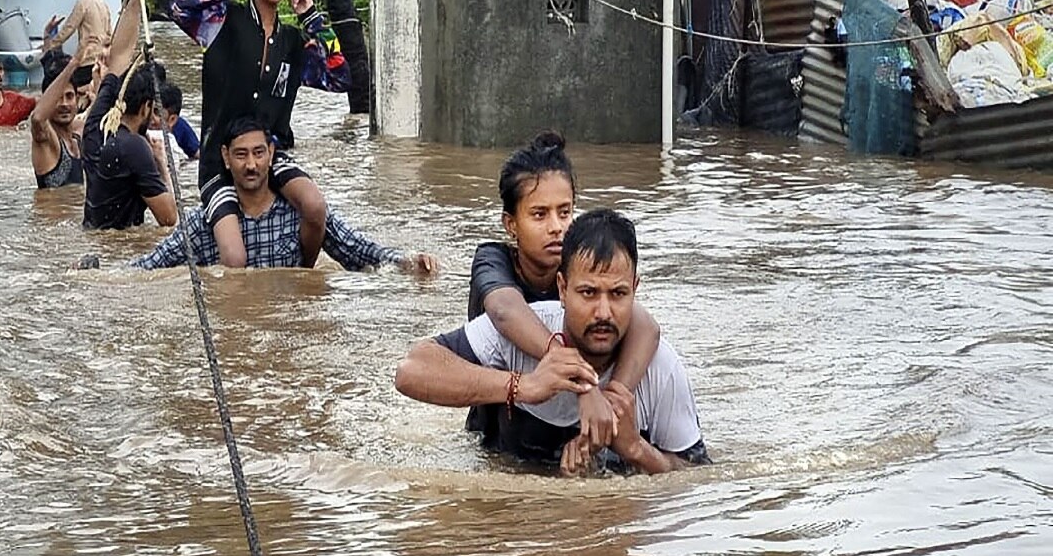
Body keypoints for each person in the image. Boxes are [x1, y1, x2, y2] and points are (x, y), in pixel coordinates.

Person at [396, 209, 709, 475]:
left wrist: (636, 449)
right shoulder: (524, 334)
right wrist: (523, 387)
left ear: (635, 290)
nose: (603, 312)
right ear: (562, 289)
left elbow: (700, 479)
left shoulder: (660, 367)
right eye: (588, 293)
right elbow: (412, 370)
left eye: (618, 294)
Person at [467, 132, 662, 452]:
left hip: (570, 419)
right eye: (539, 215)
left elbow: (646, 327)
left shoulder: (579, 263)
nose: (557, 226)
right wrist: (582, 380)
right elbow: (504, 310)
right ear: (510, 224)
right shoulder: (493, 260)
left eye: (565, 211)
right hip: (501, 421)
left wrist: (612, 396)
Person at [168, 0, 351, 269]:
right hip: (219, 163)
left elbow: (340, 77)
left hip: (270, 157)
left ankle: (300, 273)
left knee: (313, 207)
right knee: (234, 258)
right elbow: (180, 8)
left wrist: (311, 18)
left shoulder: (293, 42)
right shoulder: (222, 22)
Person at [131, 117, 437, 273]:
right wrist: (90, 275)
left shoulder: (297, 213)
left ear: (271, 154)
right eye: (240, 155)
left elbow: (359, 251)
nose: (251, 165)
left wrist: (407, 262)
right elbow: (149, 268)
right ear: (225, 157)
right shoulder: (205, 223)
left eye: (258, 153)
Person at [81, 60, 177, 230]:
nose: (153, 117)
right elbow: (169, 218)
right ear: (146, 107)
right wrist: (161, 163)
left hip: (94, 237)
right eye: (153, 109)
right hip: (119, 247)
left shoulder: (96, 128)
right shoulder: (134, 146)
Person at [30, 51, 85, 189]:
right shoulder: (45, 139)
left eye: (69, 96)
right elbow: (37, 118)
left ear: (77, 100)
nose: (64, 104)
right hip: (53, 210)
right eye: (58, 98)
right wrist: (73, 64)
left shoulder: (79, 133)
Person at [43, 0, 113, 68]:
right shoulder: (104, 5)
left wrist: (50, 45)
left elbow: (69, 28)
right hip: (102, 60)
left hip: (87, 59)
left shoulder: (83, 3)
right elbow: (109, 34)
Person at [154, 80, 200, 160]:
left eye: (157, 113)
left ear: (172, 119)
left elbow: (197, 154)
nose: (151, 117)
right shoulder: (142, 124)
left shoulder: (181, 128)